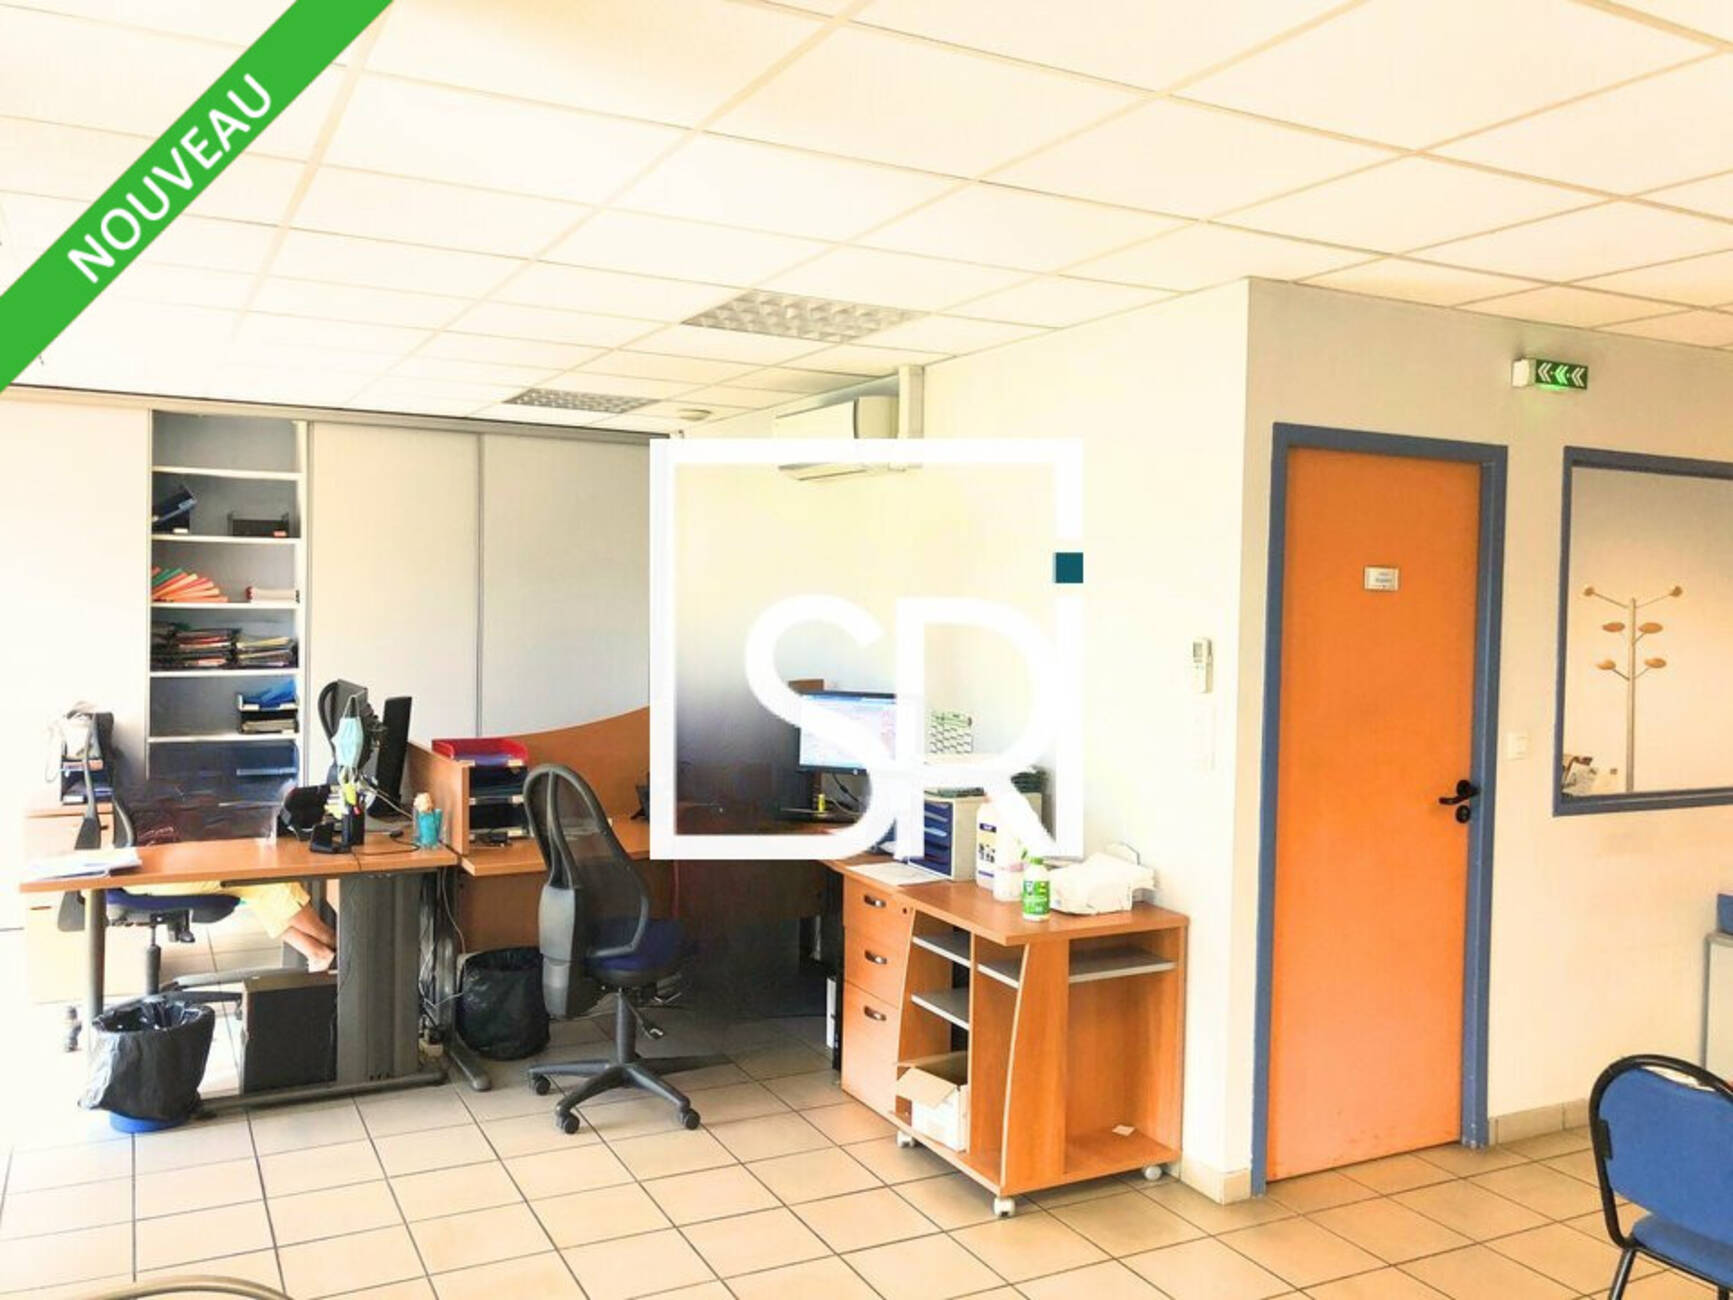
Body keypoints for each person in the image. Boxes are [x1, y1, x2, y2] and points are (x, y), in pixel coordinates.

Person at [132, 880, 337, 971]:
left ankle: (318, 953)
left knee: (255, 887)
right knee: (265, 873)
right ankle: (332, 939)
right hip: (155, 871)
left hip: (147, 872)